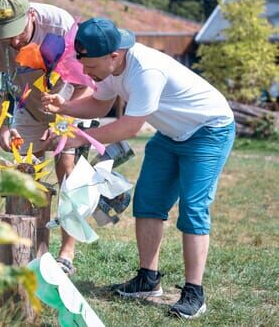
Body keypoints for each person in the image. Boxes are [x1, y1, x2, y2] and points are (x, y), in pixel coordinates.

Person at [41, 17, 235, 319]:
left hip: (209, 130)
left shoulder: (146, 71)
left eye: (90, 67)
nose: (87, 74)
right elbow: (99, 105)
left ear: (114, 55)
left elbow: (130, 127)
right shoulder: (109, 67)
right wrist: (62, 106)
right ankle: (147, 280)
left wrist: (77, 137)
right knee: (147, 202)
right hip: (172, 134)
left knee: (193, 208)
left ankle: (194, 293)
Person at [0, 0, 92, 274]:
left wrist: (62, 123)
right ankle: (32, 248)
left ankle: (66, 253)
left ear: (32, 16)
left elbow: (86, 83)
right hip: (24, 102)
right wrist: (2, 124)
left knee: (67, 170)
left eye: (18, 32)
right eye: (7, 36)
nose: (13, 42)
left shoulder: (60, 25)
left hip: (66, 99)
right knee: (25, 170)